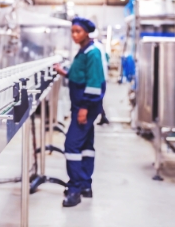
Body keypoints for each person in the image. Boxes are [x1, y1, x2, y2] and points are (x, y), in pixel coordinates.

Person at [54, 17, 106, 207]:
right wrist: (65, 72)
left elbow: (93, 84)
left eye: (78, 31)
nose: (75, 35)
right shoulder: (84, 51)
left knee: (71, 146)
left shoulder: (92, 53)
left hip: (86, 106)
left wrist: (84, 108)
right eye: (73, 32)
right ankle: (85, 185)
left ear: (86, 32)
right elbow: (80, 74)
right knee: (85, 145)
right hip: (82, 105)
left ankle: (75, 189)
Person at [91, 30, 110, 126]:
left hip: (98, 79)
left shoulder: (94, 48)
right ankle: (103, 116)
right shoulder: (99, 46)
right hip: (102, 77)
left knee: (96, 99)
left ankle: (103, 116)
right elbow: (107, 57)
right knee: (99, 99)